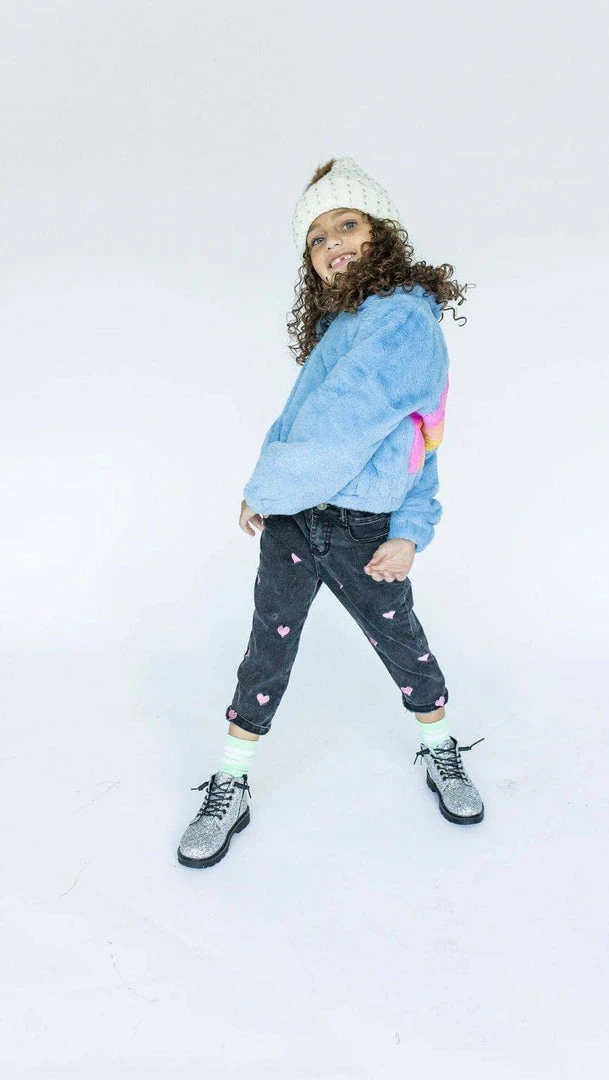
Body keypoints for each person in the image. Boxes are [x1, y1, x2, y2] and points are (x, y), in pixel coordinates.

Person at [177, 156, 485, 869]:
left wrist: (409, 532)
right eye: (316, 237)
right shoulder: (346, 325)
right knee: (268, 647)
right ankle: (231, 782)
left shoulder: (403, 319)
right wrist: (272, 488)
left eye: (347, 224)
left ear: (383, 232)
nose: (332, 243)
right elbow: (301, 419)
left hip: (359, 531)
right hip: (294, 522)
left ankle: (440, 749)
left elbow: (386, 435)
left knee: (401, 643)